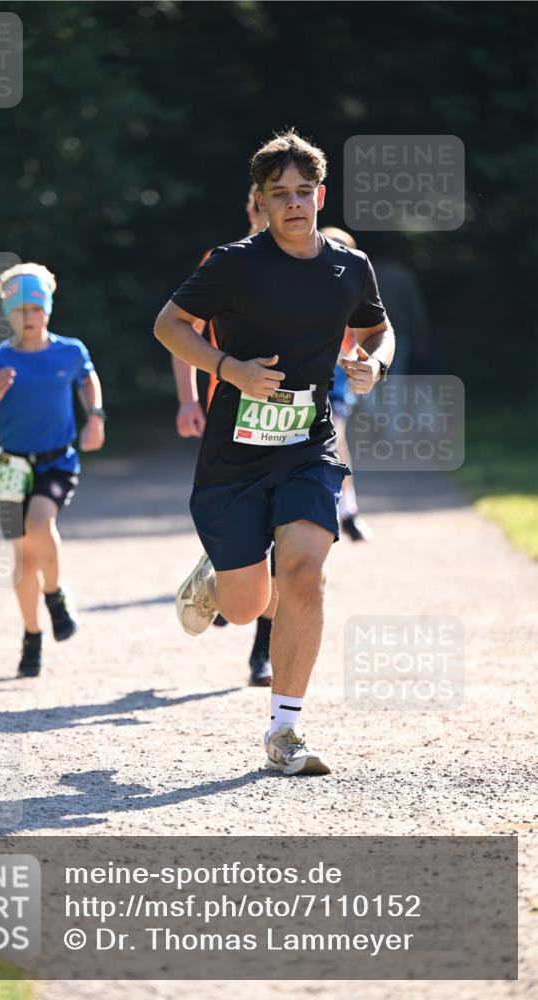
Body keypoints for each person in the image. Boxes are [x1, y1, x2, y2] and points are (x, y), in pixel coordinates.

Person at [155, 130, 394, 775]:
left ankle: (284, 731)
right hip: (235, 454)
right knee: (242, 605)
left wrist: (372, 362)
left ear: (321, 194)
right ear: (260, 199)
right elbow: (168, 325)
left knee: (306, 573)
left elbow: (376, 326)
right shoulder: (234, 263)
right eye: (278, 193)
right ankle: (217, 578)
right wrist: (227, 367)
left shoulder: (349, 266)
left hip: (308, 446)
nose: (293, 204)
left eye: (303, 192)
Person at [0, 263, 106, 677]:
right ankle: (32, 636)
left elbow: (88, 378)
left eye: (37, 309)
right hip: (11, 467)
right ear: (9, 314)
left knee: (40, 524)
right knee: (23, 558)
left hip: (56, 462)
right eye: (22, 310)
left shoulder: (69, 350)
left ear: (48, 310)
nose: (30, 318)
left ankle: (56, 595)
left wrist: (94, 416)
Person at [172, 182, 275, 687]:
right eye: (261, 198)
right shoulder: (222, 260)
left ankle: (264, 651)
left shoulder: (314, 262)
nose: (268, 208)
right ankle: (219, 569)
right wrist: (190, 399)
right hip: (230, 417)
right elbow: (180, 327)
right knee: (238, 522)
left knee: (285, 536)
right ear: (251, 204)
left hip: (293, 423)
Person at [320, 226, 373, 543]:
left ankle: (348, 511)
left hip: (336, 379)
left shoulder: (355, 291)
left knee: (336, 441)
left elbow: (363, 337)